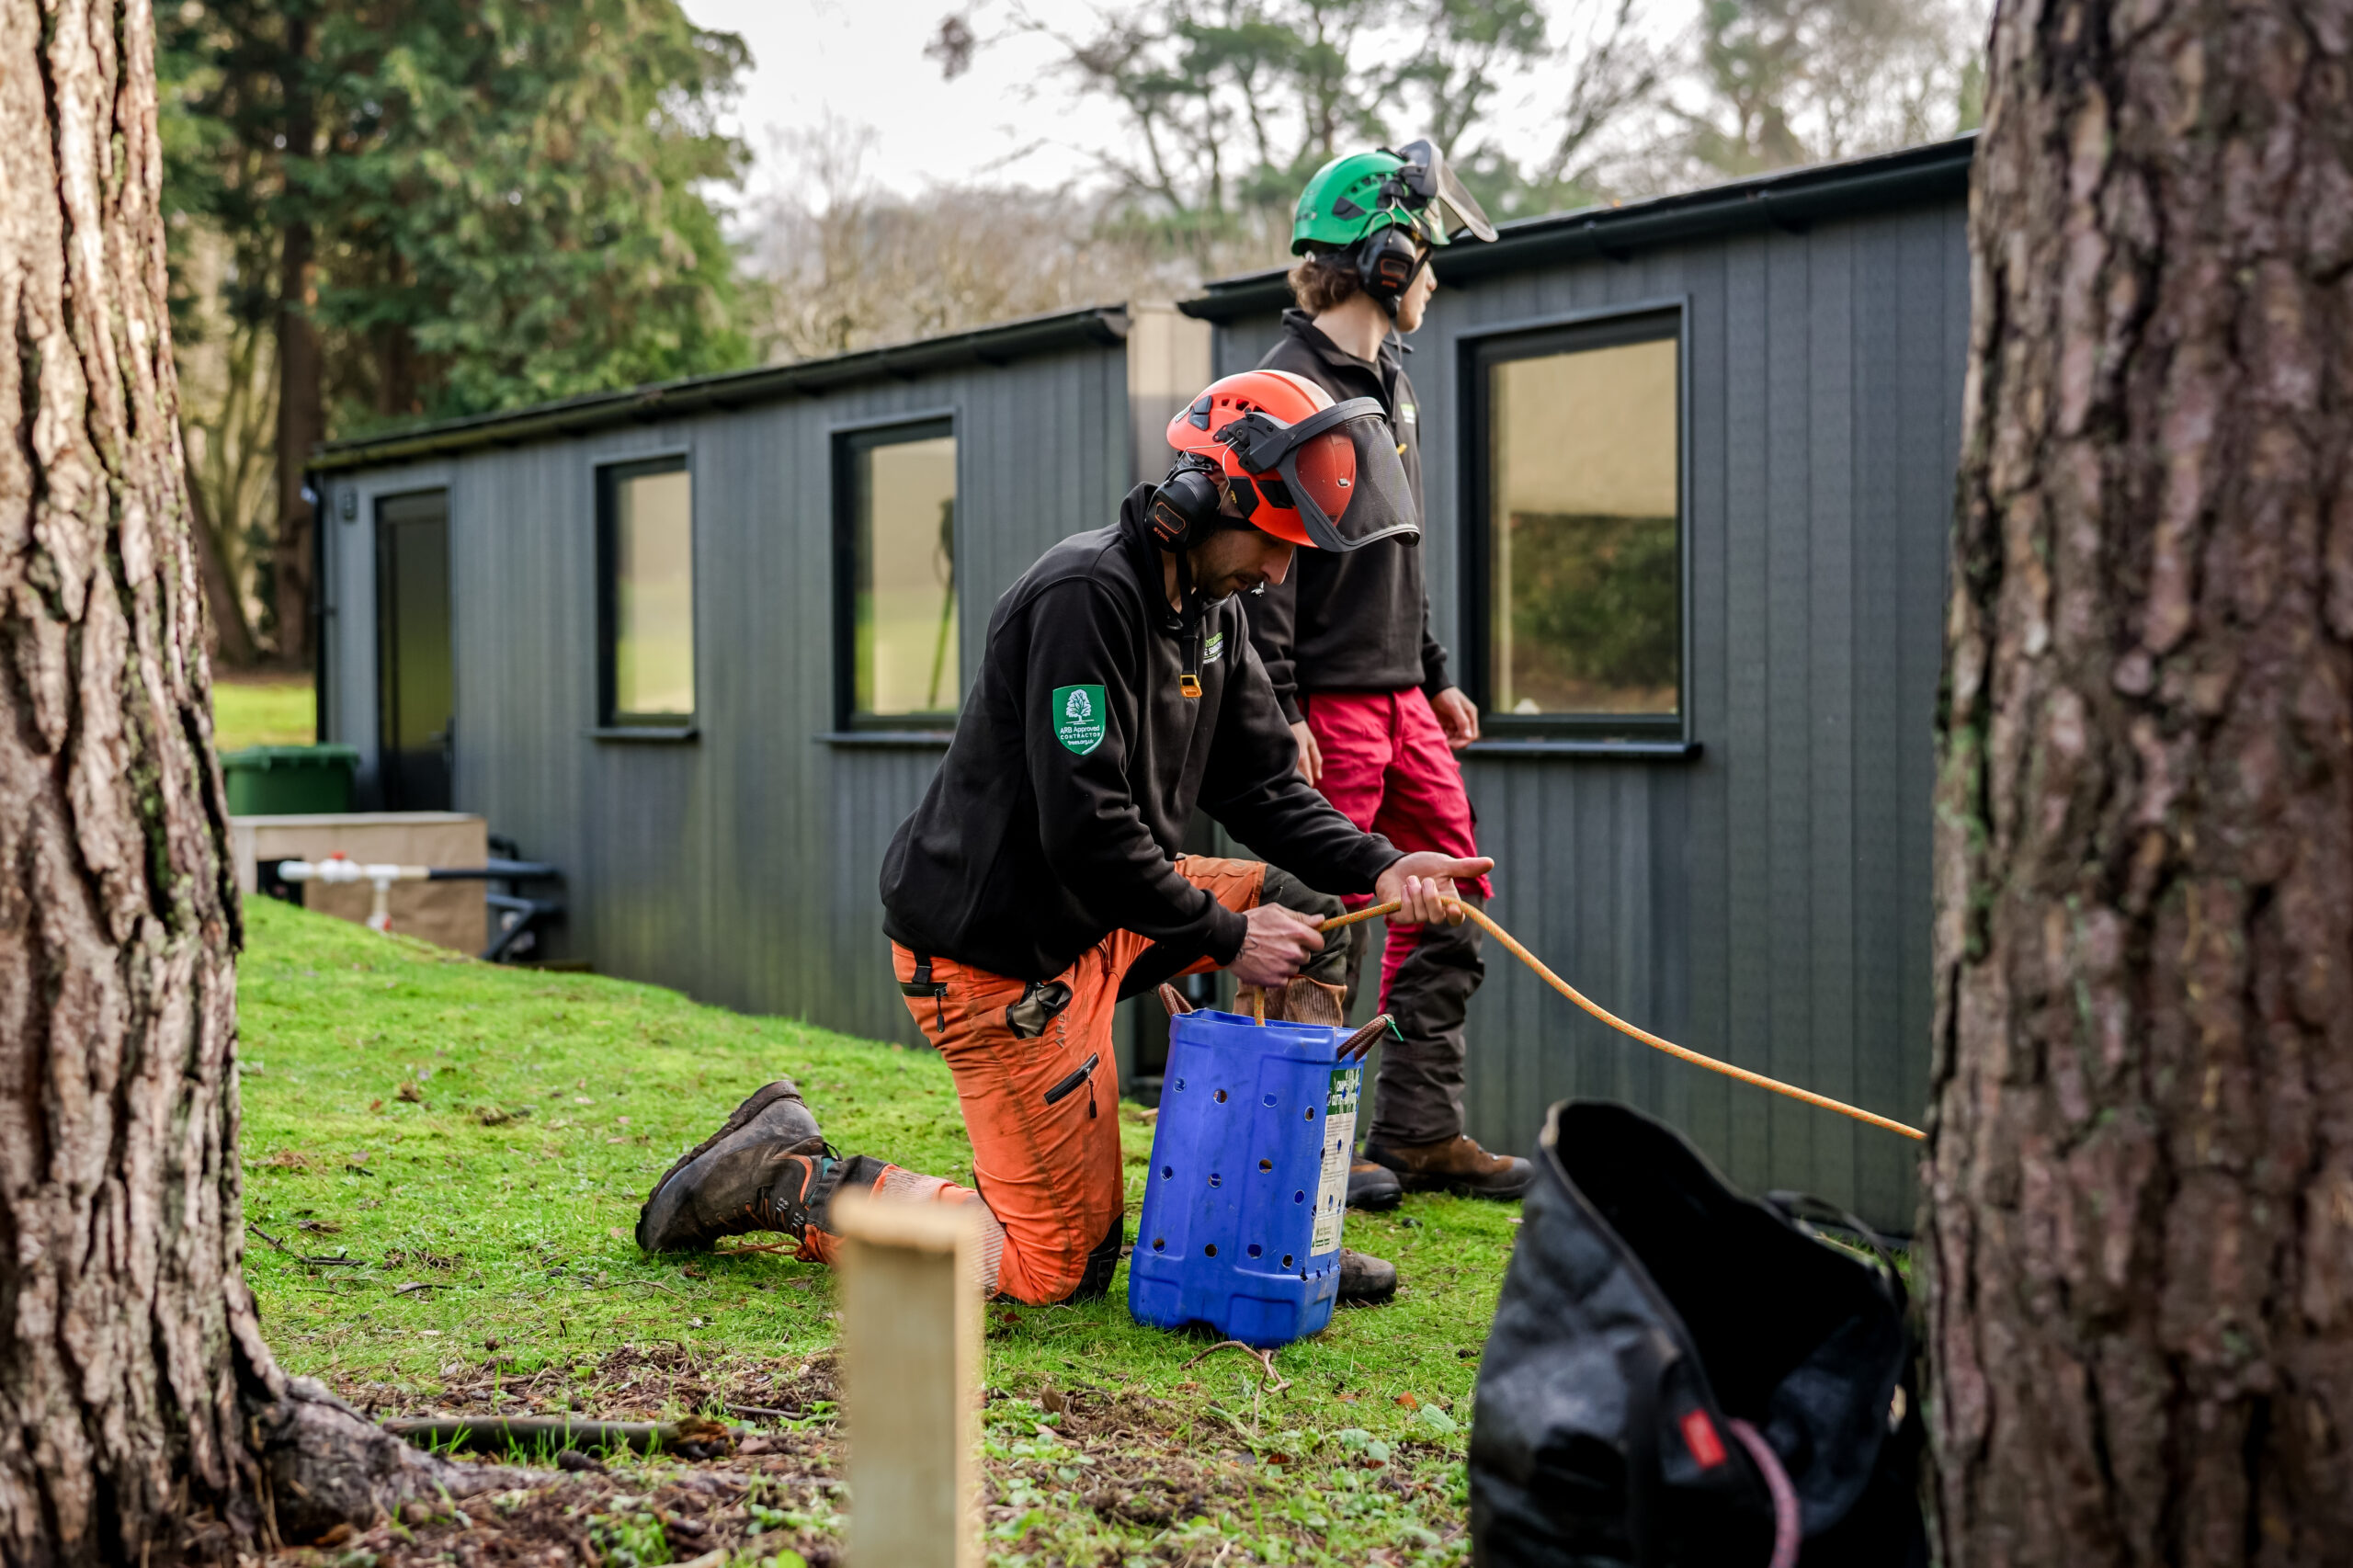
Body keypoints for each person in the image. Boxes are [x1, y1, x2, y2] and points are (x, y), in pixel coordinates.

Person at [637, 369, 1492, 1311]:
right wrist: (1223, 934)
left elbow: (1259, 786)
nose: (1281, 574)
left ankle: (1267, 1234)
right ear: (1208, 497)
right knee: (1057, 1269)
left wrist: (1384, 862)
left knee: (1307, 913)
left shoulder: (1212, 612)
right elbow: (1086, 828)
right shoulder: (1083, 598)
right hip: (1001, 959)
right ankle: (789, 1176)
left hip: (1101, 912)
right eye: (1275, 543)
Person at [1248, 141, 1531, 1210]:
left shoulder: (1393, 386)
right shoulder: (1285, 390)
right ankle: (1298, 1149)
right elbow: (1260, 567)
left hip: (1401, 696)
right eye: (1424, 259)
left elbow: (1396, 547)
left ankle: (1417, 1130)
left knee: (1449, 897)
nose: (1431, 280)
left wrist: (1435, 669)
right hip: (1323, 699)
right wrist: (1279, 707)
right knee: (1321, 917)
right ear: (1382, 262)